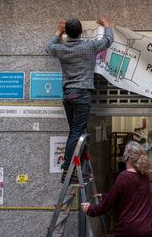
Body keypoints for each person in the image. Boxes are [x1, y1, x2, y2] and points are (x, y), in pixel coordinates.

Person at [46, 17, 114, 182]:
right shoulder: (89, 47)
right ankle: (68, 170)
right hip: (82, 94)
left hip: (68, 94)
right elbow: (108, 40)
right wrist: (107, 25)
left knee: (77, 133)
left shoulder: (61, 49)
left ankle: (77, 170)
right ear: (81, 32)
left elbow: (48, 48)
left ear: (67, 33)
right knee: (78, 133)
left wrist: (57, 31)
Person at [81, 141, 152, 237]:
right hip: (149, 229)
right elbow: (129, 196)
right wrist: (105, 196)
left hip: (129, 231)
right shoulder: (145, 175)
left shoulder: (124, 177)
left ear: (128, 157)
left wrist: (90, 209)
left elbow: (107, 204)